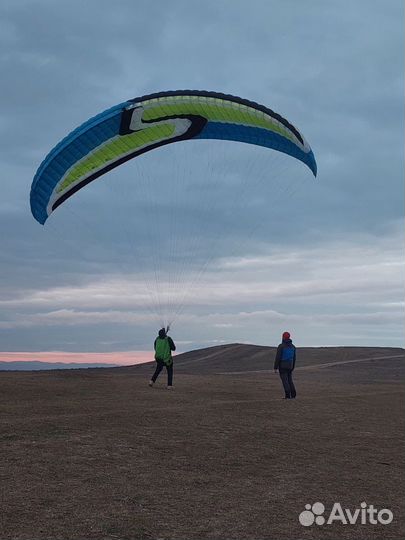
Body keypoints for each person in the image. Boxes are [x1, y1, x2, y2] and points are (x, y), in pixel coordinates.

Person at [274, 331, 296, 399]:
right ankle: (293, 394)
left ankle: (287, 395)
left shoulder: (281, 346)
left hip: (283, 365)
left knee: (285, 380)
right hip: (290, 365)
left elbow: (278, 357)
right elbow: (294, 358)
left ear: (283, 337)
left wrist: (275, 367)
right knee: (290, 380)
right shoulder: (293, 347)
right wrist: (293, 366)